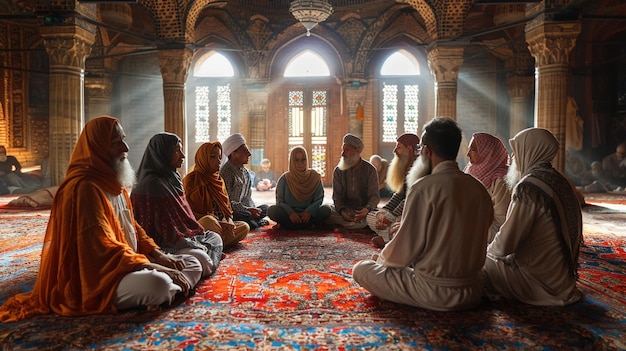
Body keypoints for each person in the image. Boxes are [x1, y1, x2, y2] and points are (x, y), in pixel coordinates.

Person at [0, 116, 202, 322]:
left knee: (193, 263)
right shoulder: (82, 188)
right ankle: (162, 291)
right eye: (117, 143)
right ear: (98, 147)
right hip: (95, 277)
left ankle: (163, 292)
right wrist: (155, 267)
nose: (126, 147)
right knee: (158, 284)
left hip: (127, 264)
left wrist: (159, 256)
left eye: (123, 140)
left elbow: (133, 226)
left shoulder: (115, 182)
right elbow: (102, 247)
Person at [352, 117, 494, 311]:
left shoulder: (423, 188)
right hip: (474, 289)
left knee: (362, 269)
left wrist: (381, 261)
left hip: (434, 291)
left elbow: (401, 253)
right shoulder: (478, 188)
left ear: (426, 151)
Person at [483, 127, 583, 306]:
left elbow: (504, 245)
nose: (513, 158)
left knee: (475, 263)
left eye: (515, 152)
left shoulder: (529, 187)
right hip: (562, 280)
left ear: (528, 151)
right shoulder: (559, 181)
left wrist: (485, 253)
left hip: (538, 282)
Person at [130, 133, 223, 278]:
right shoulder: (149, 185)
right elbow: (151, 232)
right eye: (177, 150)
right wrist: (191, 244)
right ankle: (204, 259)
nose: (183, 155)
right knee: (203, 261)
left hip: (186, 237)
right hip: (166, 246)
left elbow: (185, 218)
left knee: (215, 237)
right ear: (163, 153)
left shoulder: (173, 178)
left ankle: (205, 256)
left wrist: (194, 240)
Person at [183, 141, 250, 247]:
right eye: (213, 157)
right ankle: (218, 242)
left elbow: (227, 209)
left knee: (244, 227)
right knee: (209, 221)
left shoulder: (219, 180)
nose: (219, 161)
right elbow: (189, 215)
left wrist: (228, 223)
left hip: (220, 225)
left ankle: (216, 243)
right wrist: (219, 223)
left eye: (219, 157)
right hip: (202, 225)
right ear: (203, 158)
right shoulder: (192, 180)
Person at [366, 133, 420, 248]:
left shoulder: (418, 169)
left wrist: (390, 217)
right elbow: (399, 195)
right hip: (399, 214)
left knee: (399, 223)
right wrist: (383, 212)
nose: (394, 150)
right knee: (371, 215)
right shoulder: (405, 165)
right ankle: (390, 236)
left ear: (409, 148)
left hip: (411, 213)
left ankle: (388, 238)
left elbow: (410, 199)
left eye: (398, 147)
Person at [464, 132, 512, 243]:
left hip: (488, 239)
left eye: (473, 150)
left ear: (487, 153)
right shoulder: (470, 170)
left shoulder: (501, 180)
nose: (467, 154)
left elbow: (500, 220)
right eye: (469, 149)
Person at [267, 146, 331, 230]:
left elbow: (319, 199)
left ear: (307, 160)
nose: (300, 163)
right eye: (296, 160)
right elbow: (280, 201)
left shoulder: (315, 177)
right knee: (272, 210)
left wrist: (309, 212)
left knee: (326, 209)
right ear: (292, 162)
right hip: (290, 215)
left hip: (308, 215)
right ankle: (309, 226)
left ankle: (288, 226)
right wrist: (291, 213)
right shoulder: (285, 178)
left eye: (303, 160)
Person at [326, 133, 380, 230]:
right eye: (343, 149)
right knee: (325, 211)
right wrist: (342, 211)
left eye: (346, 150)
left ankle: (350, 224)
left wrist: (367, 209)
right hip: (345, 211)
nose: (342, 153)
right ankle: (355, 224)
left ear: (357, 151)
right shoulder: (338, 171)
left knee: (377, 217)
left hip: (364, 212)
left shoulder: (370, 170)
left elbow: (374, 196)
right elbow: (337, 197)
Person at [220, 133, 269, 229]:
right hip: (233, 211)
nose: (249, 154)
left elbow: (247, 197)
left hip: (245, 210)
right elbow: (227, 202)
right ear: (234, 154)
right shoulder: (226, 172)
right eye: (245, 151)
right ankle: (253, 222)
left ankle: (253, 221)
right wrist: (248, 210)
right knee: (244, 215)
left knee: (266, 208)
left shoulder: (246, 172)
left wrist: (254, 210)